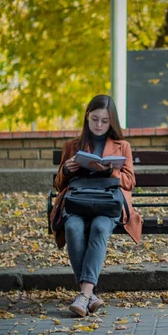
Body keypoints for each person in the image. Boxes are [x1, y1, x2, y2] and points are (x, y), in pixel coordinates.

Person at [50, 94, 142, 317]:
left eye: (105, 120)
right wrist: (65, 170)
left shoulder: (123, 146)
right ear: (86, 118)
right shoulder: (72, 146)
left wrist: (109, 170)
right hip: (78, 203)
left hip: (107, 205)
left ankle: (84, 295)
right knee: (72, 228)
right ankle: (88, 296)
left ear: (112, 122)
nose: (99, 125)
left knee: (100, 228)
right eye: (95, 119)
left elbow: (130, 182)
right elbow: (58, 185)